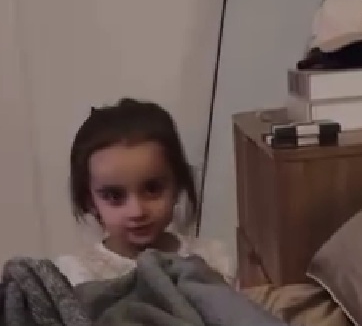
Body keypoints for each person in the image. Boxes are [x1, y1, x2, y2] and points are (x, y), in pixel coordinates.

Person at [54, 98, 235, 286]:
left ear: (178, 184)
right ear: (90, 201)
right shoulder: (76, 276)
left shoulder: (213, 260)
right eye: (114, 196)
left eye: (153, 189)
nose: (137, 212)